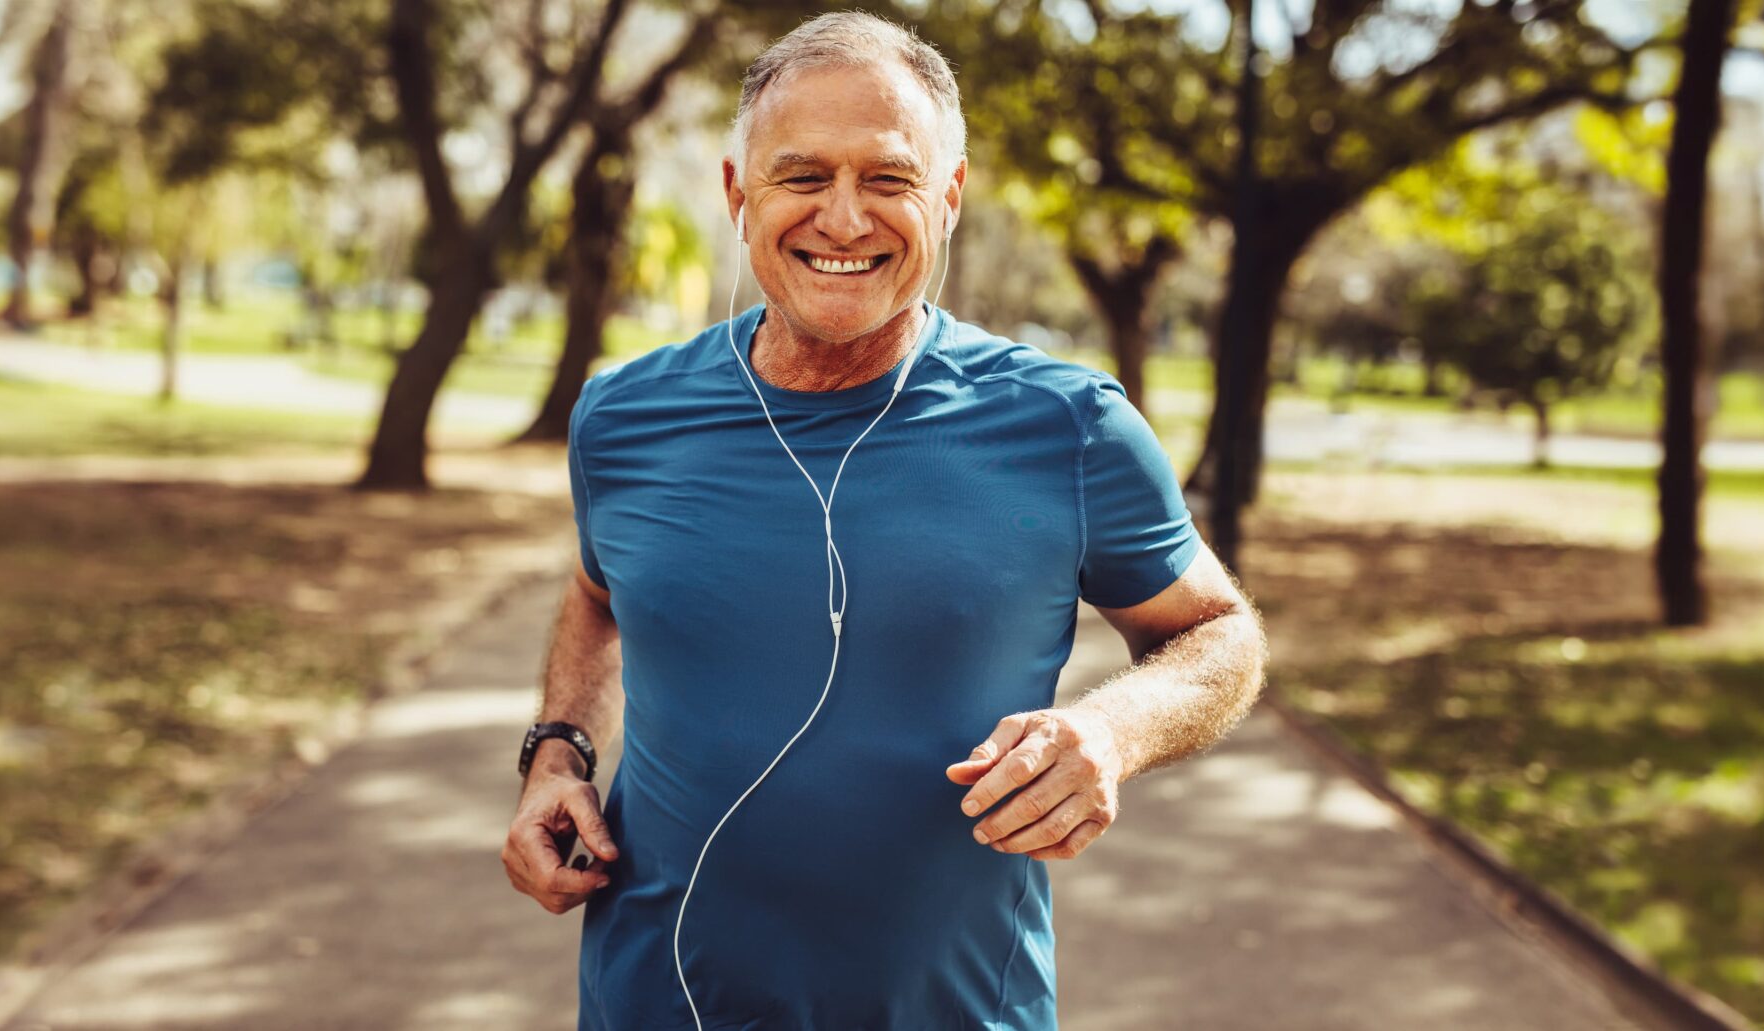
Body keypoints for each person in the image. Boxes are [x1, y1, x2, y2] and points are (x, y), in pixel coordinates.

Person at [505, 12, 1267, 1029]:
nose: (845, 218)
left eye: (890, 179)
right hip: (651, 997)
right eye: (803, 176)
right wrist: (557, 753)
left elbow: (1219, 631)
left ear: (947, 200)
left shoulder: (1070, 424)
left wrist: (1107, 730)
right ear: (740, 193)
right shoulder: (623, 416)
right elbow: (600, 592)